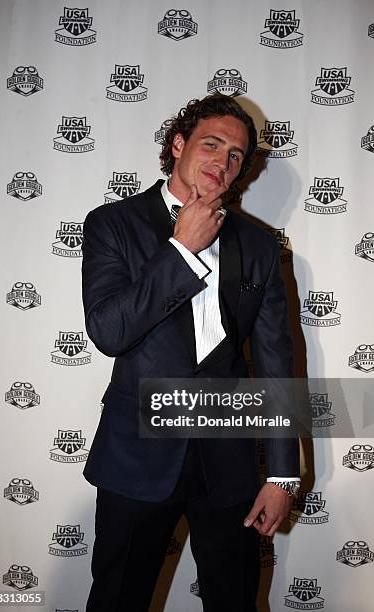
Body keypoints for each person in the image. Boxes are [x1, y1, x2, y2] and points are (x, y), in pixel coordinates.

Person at [82, 93, 300, 612]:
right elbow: (110, 332)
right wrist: (181, 250)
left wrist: (282, 473)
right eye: (211, 145)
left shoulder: (260, 246)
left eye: (235, 156)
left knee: (235, 601)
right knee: (118, 599)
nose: (222, 163)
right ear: (178, 144)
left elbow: (274, 361)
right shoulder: (114, 224)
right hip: (136, 455)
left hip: (228, 462)